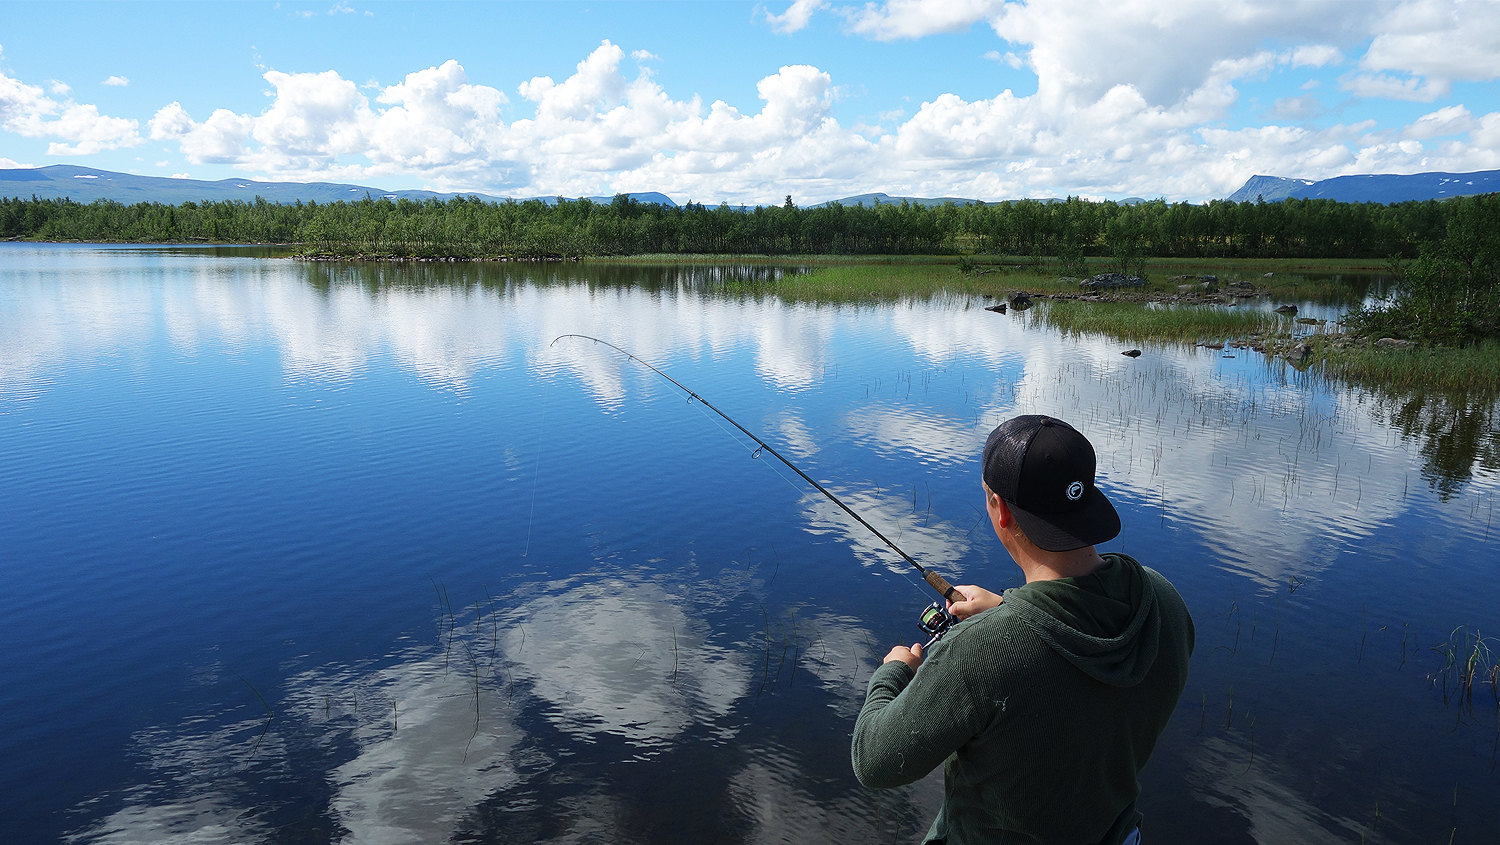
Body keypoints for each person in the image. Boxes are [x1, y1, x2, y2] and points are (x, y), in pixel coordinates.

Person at [851, 415, 1194, 845]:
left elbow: (874, 761)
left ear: (1001, 509)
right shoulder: (1163, 600)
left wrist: (894, 671)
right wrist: (1006, 608)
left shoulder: (976, 654)